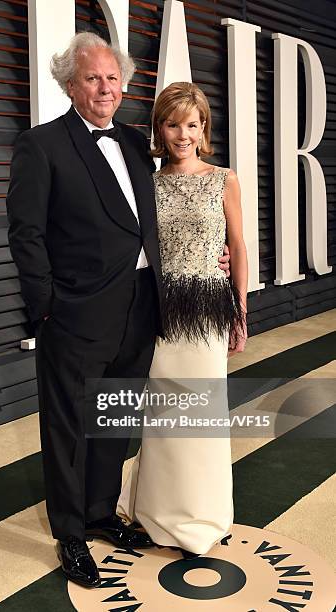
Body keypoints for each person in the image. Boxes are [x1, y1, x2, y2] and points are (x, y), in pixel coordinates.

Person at [7, 33, 230, 588]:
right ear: (69, 84)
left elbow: (171, 202)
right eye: (92, 78)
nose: (104, 87)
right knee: (68, 428)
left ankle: (102, 512)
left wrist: (212, 249)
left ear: (123, 84)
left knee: (116, 418)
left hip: (139, 306)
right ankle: (70, 534)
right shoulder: (41, 145)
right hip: (74, 315)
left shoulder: (134, 141)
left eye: (112, 78)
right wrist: (46, 308)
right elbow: (25, 234)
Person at [118, 82, 248, 557]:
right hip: (161, 309)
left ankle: (206, 516)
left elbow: (237, 247)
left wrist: (241, 310)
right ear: (160, 128)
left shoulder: (224, 179)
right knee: (163, 414)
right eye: (172, 124)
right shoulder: (146, 183)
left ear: (204, 128)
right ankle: (156, 512)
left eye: (191, 124)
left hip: (209, 310)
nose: (182, 135)